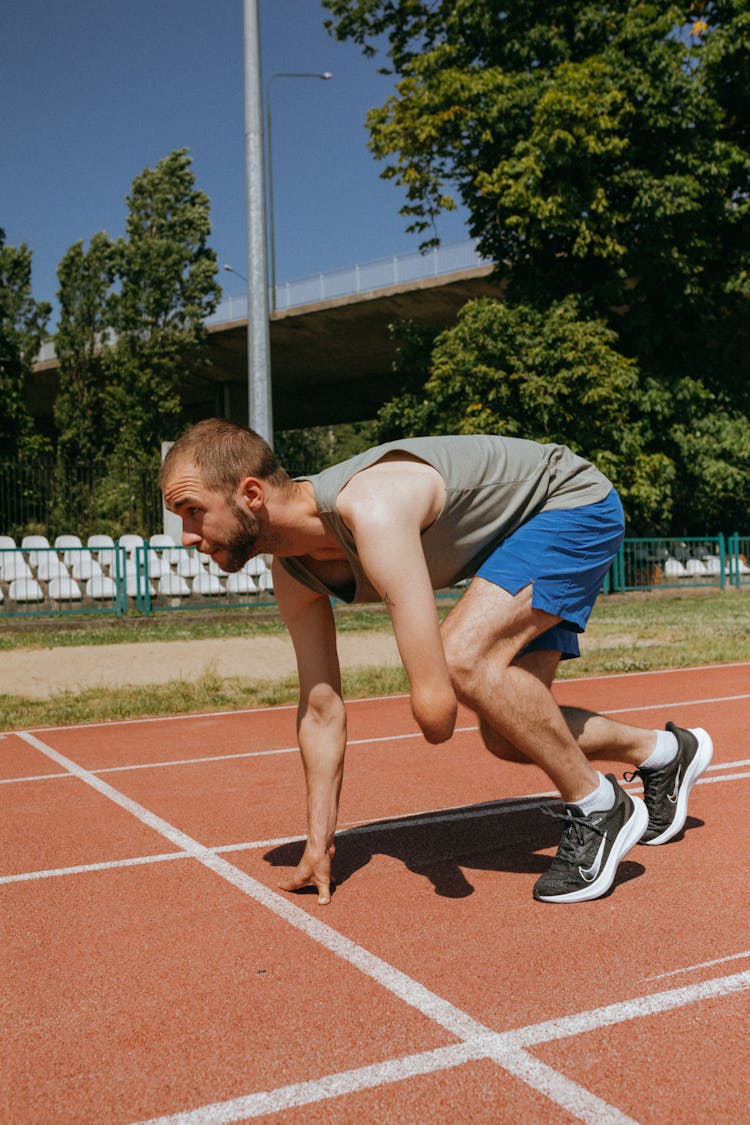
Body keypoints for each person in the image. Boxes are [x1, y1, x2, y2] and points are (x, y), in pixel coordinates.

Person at [160, 419, 713, 906]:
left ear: (250, 493)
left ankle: (598, 805)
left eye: (193, 512)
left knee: (460, 658)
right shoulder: (293, 572)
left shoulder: (371, 507)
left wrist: (433, 703)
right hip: (507, 546)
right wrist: (319, 841)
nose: (187, 536)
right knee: (509, 733)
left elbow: (437, 708)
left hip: (568, 504)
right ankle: (664, 752)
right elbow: (321, 708)